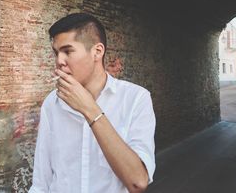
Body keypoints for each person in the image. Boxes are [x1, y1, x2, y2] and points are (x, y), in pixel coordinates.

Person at [29, 13, 156, 193]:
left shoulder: (136, 99)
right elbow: (41, 182)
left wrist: (89, 108)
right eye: (56, 53)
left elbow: (137, 182)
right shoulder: (52, 103)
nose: (59, 61)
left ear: (97, 51)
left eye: (68, 51)